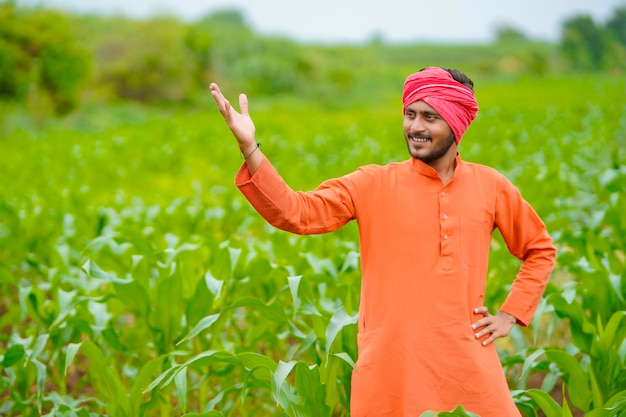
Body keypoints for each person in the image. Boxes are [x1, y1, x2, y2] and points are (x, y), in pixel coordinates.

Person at [210, 67, 556, 417]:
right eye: (410, 114)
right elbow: (296, 212)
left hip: (467, 365)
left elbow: (539, 248)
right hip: (391, 370)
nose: (416, 127)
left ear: (457, 123)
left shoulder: (490, 186)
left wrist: (510, 315)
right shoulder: (373, 184)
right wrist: (249, 147)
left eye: (430, 117)